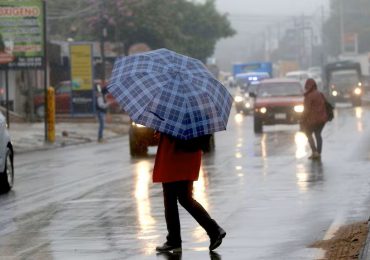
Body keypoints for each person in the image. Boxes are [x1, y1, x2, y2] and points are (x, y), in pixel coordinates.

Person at [153, 133, 226, 253]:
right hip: (189, 155)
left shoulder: (172, 114)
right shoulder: (195, 115)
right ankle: (214, 230)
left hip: (173, 155)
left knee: (171, 200)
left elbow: (171, 132)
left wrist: (160, 132)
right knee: (185, 198)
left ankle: (174, 240)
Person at [301, 78, 328, 160]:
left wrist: (302, 119)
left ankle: (314, 152)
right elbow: (326, 104)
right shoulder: (320, 94)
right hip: (322, 119)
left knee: (308, 134)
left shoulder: (308, 96)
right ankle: (318, 153)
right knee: (318, 135)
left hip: (312, 120)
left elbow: (306, 110)